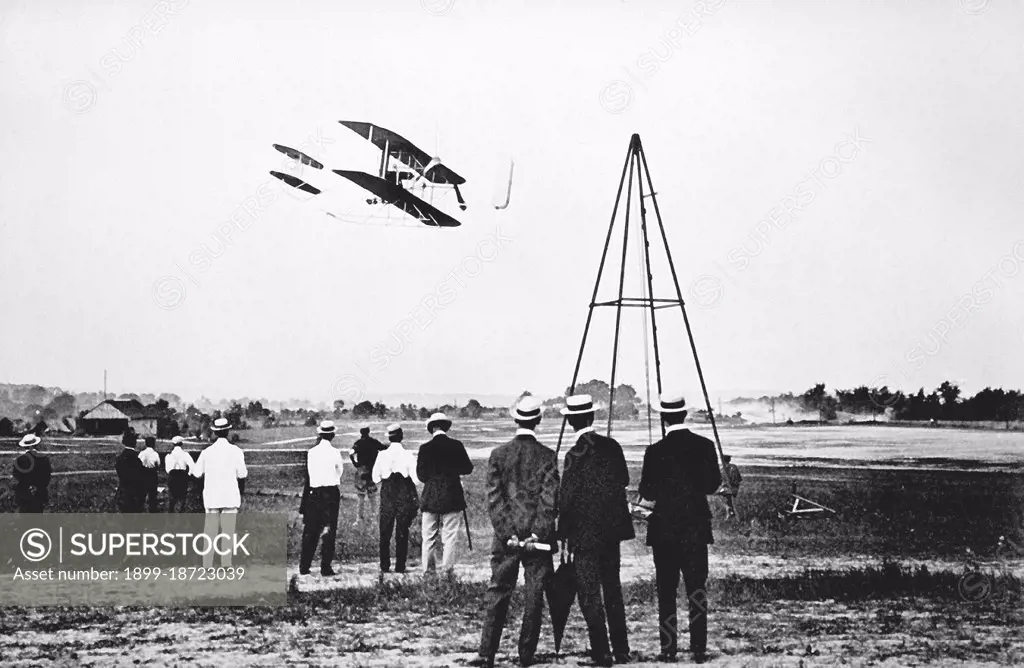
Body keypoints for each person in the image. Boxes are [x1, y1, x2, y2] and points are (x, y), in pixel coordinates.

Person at [470, 397, 558, 668]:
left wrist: (508, 533)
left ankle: (486, 654)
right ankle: (526, 656)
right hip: (537, 542)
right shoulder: (547, 456)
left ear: (515, 419)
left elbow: (494, 500)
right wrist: (537, 534)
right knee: (534, 595)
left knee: (498, 591)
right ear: (538, 420)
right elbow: (549, 501)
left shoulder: (498, 454)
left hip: (505, 538)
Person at [638, 394, 722, 664]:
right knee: (697, 589)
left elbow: (646, 491)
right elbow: (712, 486)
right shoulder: (705, 446)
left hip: (664, 531)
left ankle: (668, 648)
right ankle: (698, 648)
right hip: (695, 529)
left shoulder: (654, 451)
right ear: (684, 414)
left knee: (666, 591)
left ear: (663, 417)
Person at [558, 394, 635, 666]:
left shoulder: (572, 456)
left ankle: (601, 653)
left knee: (590, 595)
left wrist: (563, 531)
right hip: (611, 534)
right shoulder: (612, 447)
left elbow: (565, 500)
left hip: (584, 536)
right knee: (612, 589)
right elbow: (624, 480)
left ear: (570, 422)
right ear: (592, 417)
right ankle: (622, 650)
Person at [416, 412, 474, 573]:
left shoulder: (425, 448)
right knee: (450, 537)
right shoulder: (456, 445)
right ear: (445, 427)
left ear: (432, 428)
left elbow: (421, 476)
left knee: (428, 537)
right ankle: (447, 572)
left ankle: (428, 572)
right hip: (452, 495)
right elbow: (468, 468)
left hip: (430, 497)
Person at [192, 417, 248, 569]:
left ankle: (207, 565)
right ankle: (226, 564)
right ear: (228, 431)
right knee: (228, 532)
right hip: (229, 496)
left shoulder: (206, 452)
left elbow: (196, 473)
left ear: (215, 432)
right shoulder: (236, 451)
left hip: (212, 496)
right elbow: (242, 474)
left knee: (210, 530)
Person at [372, 423, 420, 573]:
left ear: (389, 438)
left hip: (388, 492)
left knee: (385, 530)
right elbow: (417, 479)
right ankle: (400, 566)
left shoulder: (382, 455)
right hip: (403, 492)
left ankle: (384, 566)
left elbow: (375, 477)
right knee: (402, 530)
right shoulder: (407, 455)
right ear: (401, 437)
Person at [299, 420, 344, 577]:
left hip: (314, 493)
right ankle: (326, 567)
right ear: (332, 435)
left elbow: (310, 475)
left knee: (310, 530)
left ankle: (304, 566)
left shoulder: (312, 452)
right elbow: (340, 472)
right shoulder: (335, 453)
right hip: (330, 493)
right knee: (329, 531)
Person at [349, 425, 385, 527]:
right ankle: (374, 519)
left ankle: (359, 519)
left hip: (361, 471)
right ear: (368, 432)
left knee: (360, 496)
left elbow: (351, 453)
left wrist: (355, 463)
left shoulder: (358, 443)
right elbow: (383, 448)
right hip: (372, 471)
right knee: (372, 496)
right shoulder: (374, 442)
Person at [13, 433, 51, 513]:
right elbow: (47, 478)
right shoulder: (44, 459)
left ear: (24, 446)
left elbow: (16, 476)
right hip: (39, 494)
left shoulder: (20, 460)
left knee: (24, 519)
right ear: (36, 445)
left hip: (24, 494)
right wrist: (38, 487)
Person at [115, 430, 145, 513]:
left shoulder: (120, 458)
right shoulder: (135, 458)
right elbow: (140, 474)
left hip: (123, 490)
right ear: (134, 443)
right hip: (134, 492)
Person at [165, 436, 195, 513]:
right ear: (181, 444)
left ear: (173, 444)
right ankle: (180, 514)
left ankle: (171, 517)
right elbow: (192, 466)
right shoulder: (185, 454)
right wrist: (188, 474)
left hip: (172, 475)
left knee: (172, 498)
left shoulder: (169, 455)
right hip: (182, 476)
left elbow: (167, 469)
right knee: (182, 498)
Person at [138, 435, 161, 512]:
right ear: (153, 444)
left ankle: (141, 509)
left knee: (142, 493)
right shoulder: (155, 454)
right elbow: (158, 464)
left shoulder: (141, 453)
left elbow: (138, 463)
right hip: (152, 474)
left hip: (143, 474)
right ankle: (152, 510)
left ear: (146, 444)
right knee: (152, 494)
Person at [718, 455, 742, 520]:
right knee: (729, 500)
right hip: (735, 488)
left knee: (719, 494)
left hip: (729, 489)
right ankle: (730, 512)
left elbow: (721, 481)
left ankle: (729, 510)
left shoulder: (722, 468)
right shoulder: (734, 466)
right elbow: (739, 479)